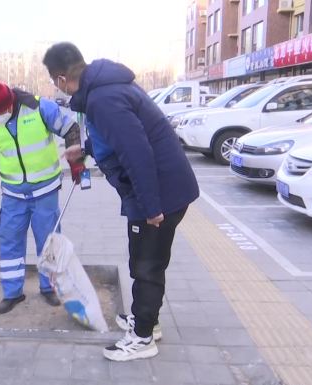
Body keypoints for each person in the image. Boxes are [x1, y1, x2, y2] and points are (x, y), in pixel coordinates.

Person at [43, 43, 199, 361]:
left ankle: (142, 338)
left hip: (159, 193)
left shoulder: (103, 98)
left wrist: (151, 206)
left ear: (60, 78)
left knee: (146, 265)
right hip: (160, 188)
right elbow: (113, 136)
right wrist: (85, 150)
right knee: (145, 260)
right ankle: (147, 321)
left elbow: (136, 152)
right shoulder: (102, 88)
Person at [0, 79, 85, 314]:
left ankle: (49, 288)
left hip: (45, 191)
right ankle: (12, 292)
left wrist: (76, 161)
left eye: (3, 110)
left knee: (48, 241)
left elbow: (71, 128)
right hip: (13, 193)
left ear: (10, 101)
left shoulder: (39, 108)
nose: (0, 116)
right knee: (9, 240)